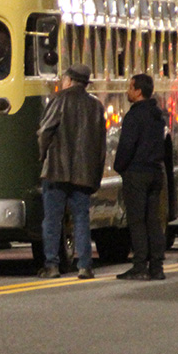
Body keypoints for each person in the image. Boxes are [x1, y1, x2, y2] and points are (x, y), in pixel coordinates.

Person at [36, 64, 106, 279]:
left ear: (68, 80)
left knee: (52, 219)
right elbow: (100, 146)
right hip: (83, 174)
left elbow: (45, 131)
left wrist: (42, 156)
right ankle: (85, 266)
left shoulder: (58, 100)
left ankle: (52, 265)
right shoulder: (96, 107)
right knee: (81, 219)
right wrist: (95, 174)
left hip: (57, 171)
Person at [114, 74, 168, 281]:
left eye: (130, 87)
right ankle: (157, 266)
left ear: (138, 91)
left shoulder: (134, 116)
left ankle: (139, 266)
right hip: (155, 172)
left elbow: (127, 146)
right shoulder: (157, 115)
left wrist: (120, 167)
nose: (127, 91)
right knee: (152, 220)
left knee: (137, 221)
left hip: (137, 173)